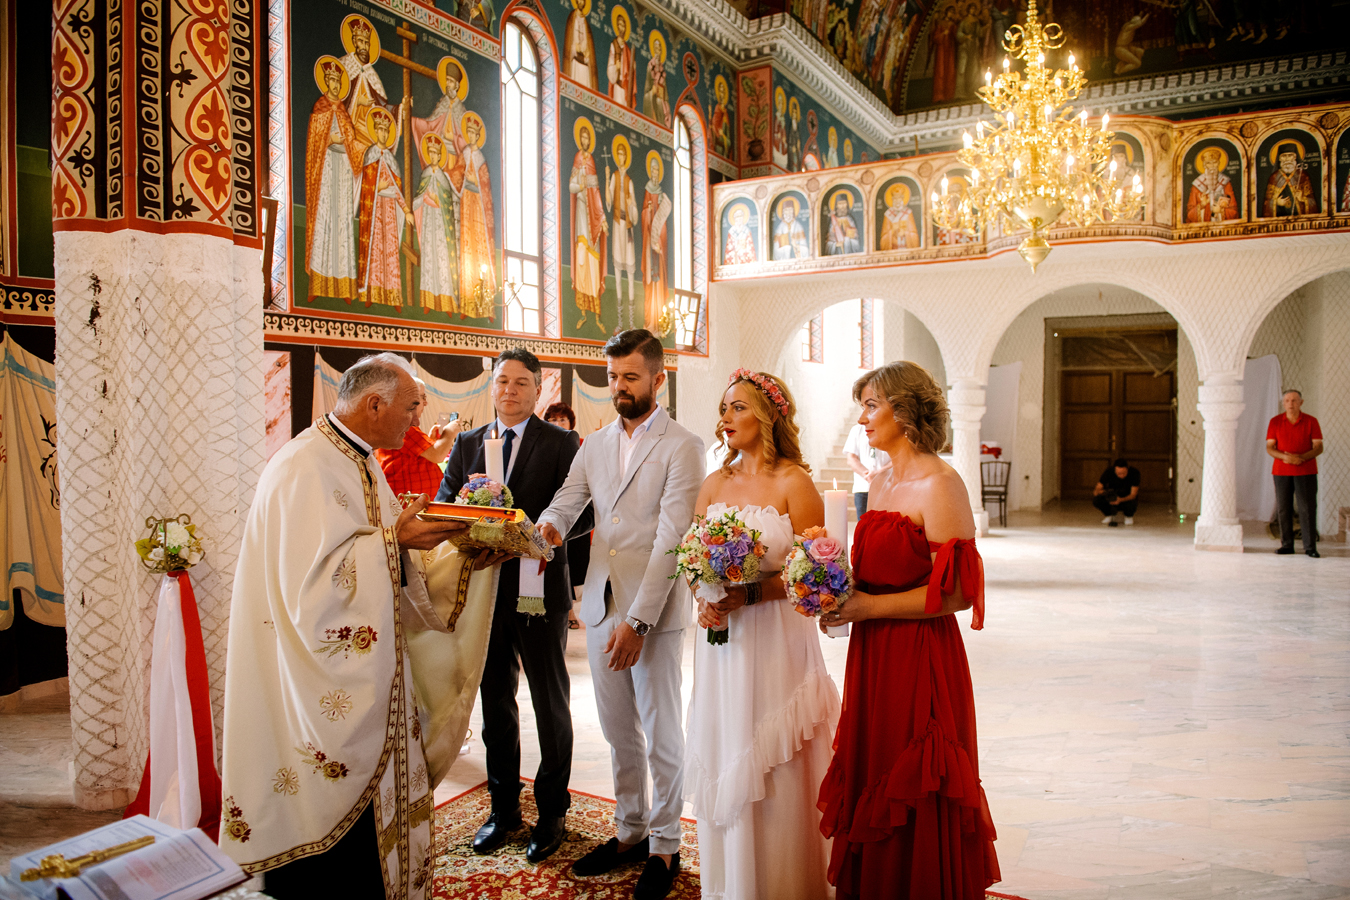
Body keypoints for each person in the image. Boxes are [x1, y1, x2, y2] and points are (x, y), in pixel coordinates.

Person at [219, 353, 478, 900]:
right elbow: (307, 590)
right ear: (374, 404)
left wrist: (463, 550)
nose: (417, 420)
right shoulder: (304, 467)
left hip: (369, 668)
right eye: (412, 407)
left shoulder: (358, 458)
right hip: (313, 682)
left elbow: (381, 550)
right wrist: (394, 541)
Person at [817, 360, 999, 899]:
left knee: (914, 776)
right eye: (863, 407)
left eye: (872, 405)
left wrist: (868, 608)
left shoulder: (941, 484)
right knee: (873, 765)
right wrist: (827, 588)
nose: (863, 418)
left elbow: (958, 594)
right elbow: (876, 569)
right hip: (873, 654)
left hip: (920, 656)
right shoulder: (878, 482)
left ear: (905, 411)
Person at [537, 329, 704, 900]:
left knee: (661, 731)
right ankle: (630, 831)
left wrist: (638, 622)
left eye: (630, 377)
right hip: (601, 603)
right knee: (616, 731)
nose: (618, 387)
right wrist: (550, 526)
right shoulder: (596, 442)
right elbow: (570, 497)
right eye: (612, 377)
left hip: (650, 611)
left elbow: (672, 540)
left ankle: (666, 846)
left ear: (658, 378)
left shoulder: (683, 446)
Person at [685, 370, 840, 899]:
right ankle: (732, 885)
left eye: (738, 408)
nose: (725, 418)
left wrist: (749, 594)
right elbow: (691, 557)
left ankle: (786, 883)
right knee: (728, 743)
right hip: (722, 646)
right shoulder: (714, 483)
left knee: (775, 756)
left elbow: (812, 575)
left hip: (776, 641)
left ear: (768, 416)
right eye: (723, 408)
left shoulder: (794, 482)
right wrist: (704, 596)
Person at [437, 348, 593, 863]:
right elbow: (446, 503)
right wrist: (466, 531)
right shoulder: (468, 443)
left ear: (538, 388)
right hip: (485, 589)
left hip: (539, 586)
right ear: (492, 386)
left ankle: (552, 810)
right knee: (495, 700)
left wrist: (545, 535)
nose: (510, 390)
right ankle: (503, 809)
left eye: (521, 382)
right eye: (502, 381)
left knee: (550, 700)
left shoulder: (561, 442)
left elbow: (586, 508)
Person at [374, 377, 462, 498]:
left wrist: (431, 441)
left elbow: (412, 458)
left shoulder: (397, 422)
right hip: (408, 501)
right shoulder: (402, 424)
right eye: (423, 397)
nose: (426, 403)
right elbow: (437, 455)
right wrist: (449, 432)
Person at [544, 401, 590, 631]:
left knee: (571, 561)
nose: (558, 423)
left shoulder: (582, 445)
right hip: (550, 511)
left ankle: (570, 609)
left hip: (575, 511)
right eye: (553, 419)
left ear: (571, 422)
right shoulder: (543, 444)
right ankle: (567, 610)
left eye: (562, 419)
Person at [1266, 389, 1323, 557]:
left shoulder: (1311, 421)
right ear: (1283, 403)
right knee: (1283, 508)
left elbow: (1318, 446)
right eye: (1287, 401)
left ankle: (1310, 547)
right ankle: (1287, 545)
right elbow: (1270, 447)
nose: (1291, 404)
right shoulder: (1275, 422)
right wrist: (1286, 457)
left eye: (1294, 400)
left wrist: (1301, 458)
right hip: (1281, 471)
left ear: (1301, 402)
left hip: (1306, 471)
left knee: (1307, 508)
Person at [843, 420, 889, 519]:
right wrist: (867, 475)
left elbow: (899, 457)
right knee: (864, 524)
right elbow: (851, 458)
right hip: (863, 488)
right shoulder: (857, 429)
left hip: (887, 486)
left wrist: (879, 473)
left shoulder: (891, 429)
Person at [1092, 458, 1141, 526]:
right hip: (1112, 496)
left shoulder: (1134, 473)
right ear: (1115, 470)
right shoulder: (1109, 472)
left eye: (1124, 473)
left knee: (1133, 502)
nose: (1122, 475)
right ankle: (1108, 515)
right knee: (1097, 500)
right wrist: (1106, 493)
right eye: (1119, 473)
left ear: (1127, 469)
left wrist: (1120, 500)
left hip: (1126, 497)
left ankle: (1128, 516)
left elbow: (1133, 495)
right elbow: (1097, 490)